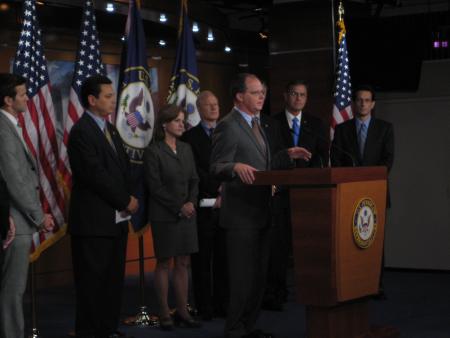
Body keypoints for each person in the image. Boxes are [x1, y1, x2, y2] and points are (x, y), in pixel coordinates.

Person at [210, 73, 311, 338]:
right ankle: (233, 330)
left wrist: (286, 155)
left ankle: (248, 327)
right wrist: (234, 166)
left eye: (263, 93)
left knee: (258, 278)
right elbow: (216, 166)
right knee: (242, 279)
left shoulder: (260, 124)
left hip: (263, 213)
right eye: (255, 92)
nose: (261, 97)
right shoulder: (228, 125)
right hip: (241, 217)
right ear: (239, 96)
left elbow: (262, 166)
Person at [67, 75, 138, 338]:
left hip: (115, 221)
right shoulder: (81, 132)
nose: (113, 100)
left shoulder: (110, 129)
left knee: (111, 282)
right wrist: (125, 200)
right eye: (107, 96)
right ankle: (89, 332)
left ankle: (107, 329)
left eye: (112, 95)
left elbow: (123, 169)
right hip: (92, 223)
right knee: (91, 285)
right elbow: (95, 175)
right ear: (92, 99)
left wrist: (130, 196)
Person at [264, 80, 328, 311]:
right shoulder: (271, 123)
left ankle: (311, 290)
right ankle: (276, 293)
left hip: (307, 195)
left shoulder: (316, 124)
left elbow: (322, 157)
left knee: (309, 245)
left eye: (303, 95)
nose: (298, 98)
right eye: (294, 94)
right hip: (280, 193)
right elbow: (267, 156)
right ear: (285, 96)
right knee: (279, 246)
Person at [0, 73, 54, 338]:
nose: (27, 97)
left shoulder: (10, 125)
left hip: (18, 219)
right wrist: (38, 215)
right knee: (12, 290)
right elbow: (15, 179)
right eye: (22, 94)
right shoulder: (2, 128)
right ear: (8, 100)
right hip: (14, 220)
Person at [331, 84, 394, 297]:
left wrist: (367, 181)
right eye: (359, 100)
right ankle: (355, 284)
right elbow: (337, 160)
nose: (363, 103)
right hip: (348, 196)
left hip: (375, 194)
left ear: (373, 104)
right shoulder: (342, 129)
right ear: (354, 103)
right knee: (351, 240)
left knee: (374, 241)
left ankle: (377, 285)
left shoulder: (385, 128)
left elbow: (387, 161)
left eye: (367, 100)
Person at [143, 104, 201, 330]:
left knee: (184, 262)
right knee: (165, 262)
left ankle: (183, 311)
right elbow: (155, 187)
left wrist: (191, 203)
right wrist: (179, 206)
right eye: (177, 120)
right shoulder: (153, 151)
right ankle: (164, 312)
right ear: (165, 124)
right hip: (165, 216)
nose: (182, 124)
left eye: (183, 120)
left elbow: (195, 180)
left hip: (188, 214)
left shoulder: (186, 148)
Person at [181, 91, 227, 320]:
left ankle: (223, 304)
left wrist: (225, 190)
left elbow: (233, 162)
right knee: (202, 261)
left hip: (227, 204)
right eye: (208, 105)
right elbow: (194, 170)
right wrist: (216, 188)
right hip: (203, 204)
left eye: (216, 104)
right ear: (199, 109)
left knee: (223, 259)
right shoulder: (189, 137)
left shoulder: (228, 133)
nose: (213, 108)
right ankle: (205, 307)